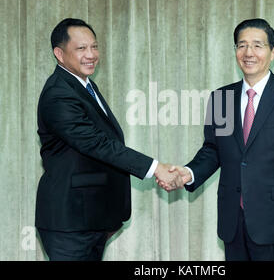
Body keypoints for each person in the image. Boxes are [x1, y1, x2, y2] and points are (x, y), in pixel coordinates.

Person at [162, 18, 274, 261]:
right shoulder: (221, 98)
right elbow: (213, 150)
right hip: (233, 221)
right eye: (241, 45)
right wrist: (188, 173)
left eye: (258, 45)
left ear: (273, 51)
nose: (249, 53)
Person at [35, 18, 182, 261]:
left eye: (94, 47)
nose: (91, 55)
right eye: (81, 49)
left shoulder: (83, 85)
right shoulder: (58, 94)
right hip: (69, 221)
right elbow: (97, 144)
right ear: (59, 54)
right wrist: (156, 168)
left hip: (90, 218)